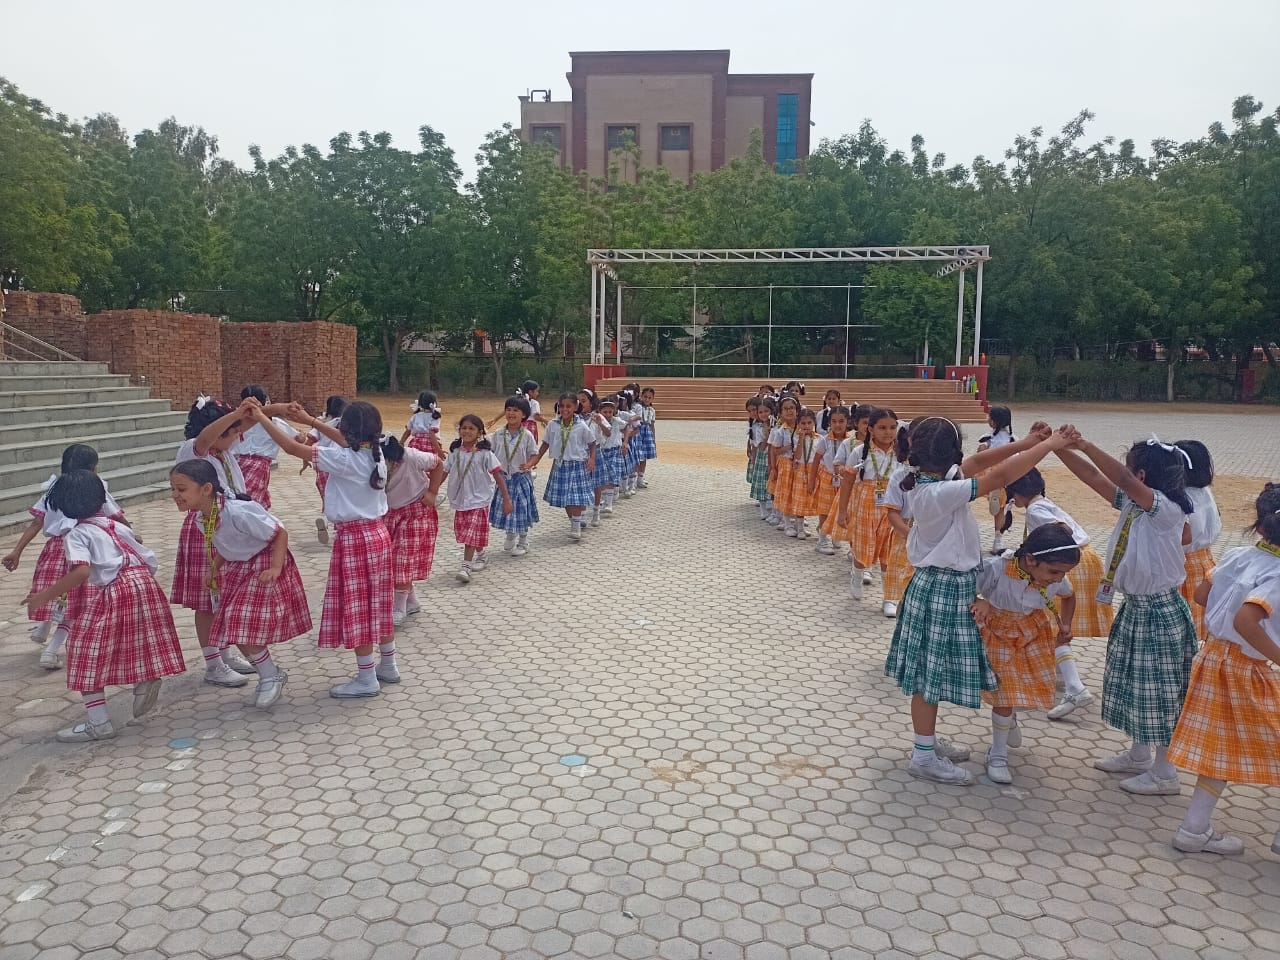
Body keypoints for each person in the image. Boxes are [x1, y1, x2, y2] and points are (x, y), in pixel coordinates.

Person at [884, 416, 1071, 785]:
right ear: (951, 453)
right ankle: (923, 755)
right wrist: (1048, 446)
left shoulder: (932, 480)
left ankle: (927, 743)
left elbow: (982, 462)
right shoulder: (937, 493)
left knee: (932, 672)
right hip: (942, 589)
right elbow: (998, 476)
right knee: (927, 676)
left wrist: (1027, 442)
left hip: (945, 587)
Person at [1054, 435, 1198, 796]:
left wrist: (1085, 445)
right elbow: (1094, 478)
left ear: (1142, 475)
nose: (1126, 475)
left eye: (1131, 468)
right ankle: (1139, 755)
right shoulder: (1136, 505)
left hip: (1158, 612)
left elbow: (1118, 478)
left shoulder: (1165, 508)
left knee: (1161, 693)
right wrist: (1057, 448)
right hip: (1138, 608)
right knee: (1139, 686)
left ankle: (1165, 773)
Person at [22, 470, 184, 742]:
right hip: (144, 583)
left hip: (115, 588)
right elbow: (147, 557)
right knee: (133, 639)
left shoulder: (76, 534)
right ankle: (144, 680)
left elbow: (81, 572)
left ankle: (99, 723)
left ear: (63, 506)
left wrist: (44, 596)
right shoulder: (115, 526)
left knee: (83, 650)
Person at [249, 401, 397, 698]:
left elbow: (292, 448)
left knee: (359, 607)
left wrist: (263, 418)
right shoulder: (375, 451)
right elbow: (344, 441)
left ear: (347, 430)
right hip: (377, 535)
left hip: (355, 540)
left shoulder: (344, 459)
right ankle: (388, 665)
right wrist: (310, 421)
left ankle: (366, 678)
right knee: (378, 602)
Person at [1165, 483, 1280, 855]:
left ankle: (1194, 829)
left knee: (1221, 746)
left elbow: (1202, 594)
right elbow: (1248, 619)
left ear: (1259, 526)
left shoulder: (1239, 555)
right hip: (1246, 667)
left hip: (1213, 657)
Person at [169, 460, 310, 708]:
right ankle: (269, 675)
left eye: (181, 489)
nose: (175, 495)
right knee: (233, 627)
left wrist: (276, 568)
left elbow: (280, 533)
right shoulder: (202, 518)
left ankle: (270, 675)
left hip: (263, 565)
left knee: (239, 620)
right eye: (172, 489)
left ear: (206, 489)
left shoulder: (238, 512)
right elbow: (227, 545)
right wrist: (213, 569)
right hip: (239, 568)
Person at [971, 524, 1080, 784]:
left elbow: (1069, 595)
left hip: (1032, 632)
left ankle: (1009, 719)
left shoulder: (1055, 579)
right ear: (1030, 560)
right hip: (998, 633)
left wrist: (1065, 624)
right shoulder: (997, 569)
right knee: (1005, 691)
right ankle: (998, 755)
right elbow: (966, 586)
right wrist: (980, 600)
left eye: (1063, 573)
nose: (1058, 579)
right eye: (1054, 572)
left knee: (1025, 686)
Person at [3, 443, 126, 670]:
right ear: (92, 468)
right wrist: (129, 534)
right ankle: (51, 651)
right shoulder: (95, 486)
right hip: (82, 550)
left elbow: (36, 522)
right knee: (75, 605)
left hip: (54, 549)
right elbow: (115, 515)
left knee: (58, 594)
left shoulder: (53, 488)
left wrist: (16, 550)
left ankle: (43, 629)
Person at [1004, 468, 1107, 719]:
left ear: (1017, 493)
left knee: (1050, 624)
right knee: (1054, 623)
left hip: (1066, 564)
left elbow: (1058, 536)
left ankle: (1075, 687)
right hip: (1084, 560)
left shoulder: (1034, 510)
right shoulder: (1044, 503)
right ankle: (1060, 673)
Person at [172, 394, 257, 688]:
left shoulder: (223, 452)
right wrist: (234, 416)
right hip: (203, 530)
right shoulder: (195, 450)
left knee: (223, 597)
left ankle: (225, 654)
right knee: (207, 601)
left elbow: (245, 421)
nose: (238, 437)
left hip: (225, 526)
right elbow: (207, 437)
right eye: (232, 432)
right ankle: (213, 664)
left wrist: (272, 410)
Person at [836, 407, 899, 600]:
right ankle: (857, 576)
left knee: (889, 551)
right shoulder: (859, 453)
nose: (888, 432)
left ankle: (889, 597)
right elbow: (847, 483)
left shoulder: (901, 454)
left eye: (892, 427)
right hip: (865, 508)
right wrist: (842, 511)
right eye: (882, 428)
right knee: (862, 547)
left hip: (892, 508)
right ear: (871, 429)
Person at [380, 435, 443, 624]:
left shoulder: (411, 456)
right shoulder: (371, 460)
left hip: (416, 513)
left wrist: (432, 492)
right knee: (392, 561)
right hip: (390, 514)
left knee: (402, 560)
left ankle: (398, 607)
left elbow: (438, 463)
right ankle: (412, 602)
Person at [442, 415, 511, 583]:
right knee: (468, 532)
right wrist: (432, 489)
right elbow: (444, 472)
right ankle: (482, 555)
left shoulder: (485, 454)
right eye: (464, 428)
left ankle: (466, 567)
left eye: (471, 428)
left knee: (470, 532)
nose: (466, 431)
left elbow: (498, 475)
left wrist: (506, 499)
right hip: (461, 499)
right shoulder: (455, 453)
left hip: (479, 499)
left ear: (479, 433)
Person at [525, 394, 597, 541]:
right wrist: (535, 460)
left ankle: (576, 527)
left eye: (568, 406)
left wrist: (592, 459)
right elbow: (545, 444)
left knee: (575, 497)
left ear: (575, 407)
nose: (565, 409)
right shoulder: (553, 424)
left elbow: (592, 443)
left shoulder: (581, 425)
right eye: (562, 406)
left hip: (577, 464)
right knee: (565, 498)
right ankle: (575, 521)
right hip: (560, 465)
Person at [1176, 440, 1221, 640]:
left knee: (1183, 627)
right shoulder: (1204, 492)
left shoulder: (1180, 497)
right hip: (1205, 561)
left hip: (1183, 565)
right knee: (1198, 624)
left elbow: (1183, 537)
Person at [490, 396, 541, 555]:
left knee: (521, 509)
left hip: (521, 478)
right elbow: (489, 452)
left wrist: (529, 464)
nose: (511, 413)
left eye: (516, 410)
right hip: (503, 479)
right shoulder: (498, 434)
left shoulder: (527, 435)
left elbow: (534, 454)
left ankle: (523, 541)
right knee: (507, 508)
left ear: (524, 414)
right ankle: (510, 534)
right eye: (508, 410)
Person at [233, 385, 296, 508]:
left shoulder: (236, 420)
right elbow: (298, 438)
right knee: (250, 502)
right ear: (265, 400)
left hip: (237, 462)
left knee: (241, 496)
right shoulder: (273, 423)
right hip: (259, 466)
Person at [880, 421, 917, 619]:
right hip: (905, 527)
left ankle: (910, 599)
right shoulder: (900, 474)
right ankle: (890, 598)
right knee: (897, 563)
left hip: (931, 529)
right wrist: (907, 532)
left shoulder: (942, 473)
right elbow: (892, 511)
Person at [308, 395, 349, 544]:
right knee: (341, 497)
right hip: (341, 464)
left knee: (328, 497)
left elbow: (309, 441)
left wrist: (305, 459)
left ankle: (325, 519)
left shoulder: (321, 421)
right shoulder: (346, 422)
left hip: (322, 463)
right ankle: (337, 527)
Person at [810, 405, 849, 554]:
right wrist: (812, 480)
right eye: (834, 421)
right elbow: (816, 461)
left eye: (841, 421)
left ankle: (835, 534)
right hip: (828, 479)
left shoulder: (851, 441)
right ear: (829, 422)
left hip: (845, 481)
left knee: (841, 509)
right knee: (825, 510)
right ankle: (822, 541)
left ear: (848, 422)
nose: (837, 425)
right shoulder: (824, 440)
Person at [978, 405, 1016, 554]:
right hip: (1006, 477)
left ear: (993, 422)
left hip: (988, 475)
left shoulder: (988, 439)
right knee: (1001, 508)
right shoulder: (1013, 439)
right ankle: (998, 539)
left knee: (970, 494)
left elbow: (980, 454)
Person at [766, 395, 802, 536]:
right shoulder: (780, 430)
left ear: (797, 410)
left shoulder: (802, 427)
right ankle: (787, 523)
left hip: (800, 465)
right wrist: (773, 467)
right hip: (786, 464)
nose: (789, 411)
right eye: (786, 409)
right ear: (780, 412)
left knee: (798, 493)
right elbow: (774, 450)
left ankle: (798, 522)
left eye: (792, 408)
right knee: (786, 493)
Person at [578, 388, 612, 527]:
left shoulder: (598, 416)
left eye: (583, 401)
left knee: (596, 485)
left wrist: (600, 423)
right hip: (580, 454)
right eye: (578, 401)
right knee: (581, 484)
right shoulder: (576, 418)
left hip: (595, 452)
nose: (580, 403)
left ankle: (596, 512)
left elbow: (608, 433)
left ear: (591, 402)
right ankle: (582, 515)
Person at [787, 408, 820, 540]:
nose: (806, 426)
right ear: (798, 424)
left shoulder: (819, 438)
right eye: (803, 423)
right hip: (801, 469)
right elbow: (797, 455)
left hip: (815, 470)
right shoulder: (795, 437)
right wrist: (801, 439)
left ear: (814, 423)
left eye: (809, 423)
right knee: (800, 498)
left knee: (814, 498)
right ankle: (799, 528)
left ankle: (820, 527)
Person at [594, 395, 626, 518]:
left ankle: (609, 504)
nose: (608, 414)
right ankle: (605, 500)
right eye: (605, 412)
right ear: (600, 412)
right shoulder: (597, 421)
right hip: (603, 451)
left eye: (610, 412)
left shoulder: (617, 421)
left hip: (615, 451)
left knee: (612, 476)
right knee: (604, 477)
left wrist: (625, 441)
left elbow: (627, 427)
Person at [746, 397, 775, 522]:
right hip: (763, 456)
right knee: (762, 482)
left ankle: (774, 509)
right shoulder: (756, 426)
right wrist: (767, 434)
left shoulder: (775, 424)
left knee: (772, 481)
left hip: (774, 456)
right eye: (760, 412)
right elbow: (760, 446)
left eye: (766, 411)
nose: (763, 414)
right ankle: (763, 509)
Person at [633, 387, 658, 488]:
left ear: (652, 399)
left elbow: (652, 425)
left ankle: (640, 477)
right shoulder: (637, 407)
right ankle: (633, 479)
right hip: (638, 432)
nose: (647, 399)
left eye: (649, 398)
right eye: (645, 397)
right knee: (637, 455)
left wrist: (653, 438)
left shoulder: (652, 410)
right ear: (641, 396)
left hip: (647, 434)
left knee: (644, 457)